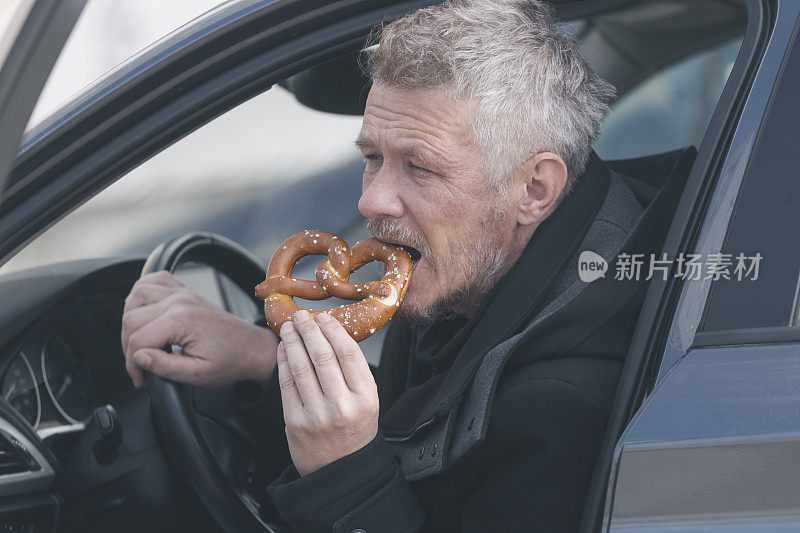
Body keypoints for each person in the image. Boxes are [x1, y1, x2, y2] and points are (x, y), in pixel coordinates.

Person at [121, 0, 662, 530]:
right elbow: (428, 427)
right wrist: (264, 358)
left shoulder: (562, 404)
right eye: (372, 158)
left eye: (420, 167)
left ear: (535, 189)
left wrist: (344, 476)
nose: (372, 202)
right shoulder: (466, 275)